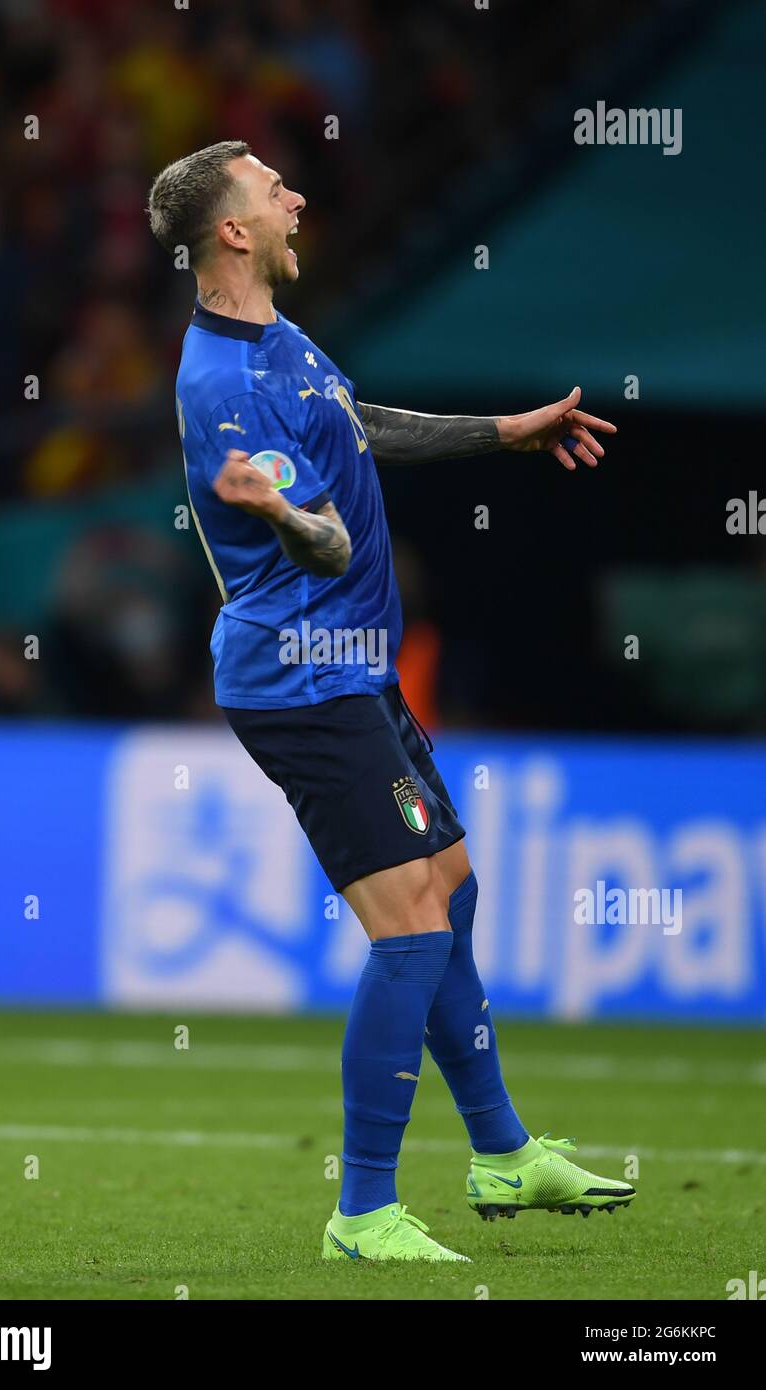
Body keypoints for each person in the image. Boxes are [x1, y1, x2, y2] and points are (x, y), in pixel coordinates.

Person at [147, 140, 634, 1262]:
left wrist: (501, 433)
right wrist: (282, 515)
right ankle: (360, 1210)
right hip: (295, 677)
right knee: (407, 925)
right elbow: (316, 540)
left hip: (353, 665)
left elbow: (354, 427)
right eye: (273, 189)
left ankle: (503, 1151)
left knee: (449, 887)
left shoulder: (279, 341)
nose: (294, 195)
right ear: (231, 231)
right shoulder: (219, 381)